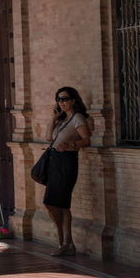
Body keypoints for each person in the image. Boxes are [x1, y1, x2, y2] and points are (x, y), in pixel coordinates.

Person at [43, 86, 92, 256]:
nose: (61, 102)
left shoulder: (77, 118)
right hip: (55, 162)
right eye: (59, 99)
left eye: (64, 99)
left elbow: (86, 139)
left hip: (67, 162)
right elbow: (48, 138)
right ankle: (66, 242)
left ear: (73, 100)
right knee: (56, 205)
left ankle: (65, 242)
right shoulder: (61, 120)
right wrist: (53, 118)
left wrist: (70, 145)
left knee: (57, 203)